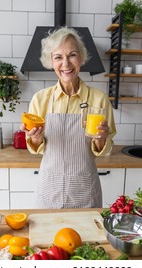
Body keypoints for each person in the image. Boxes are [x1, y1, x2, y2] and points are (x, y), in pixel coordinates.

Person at [20, 27, 116, 209]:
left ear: (81, 57)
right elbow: (34, 148)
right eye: (58, 57)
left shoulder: (99, 99)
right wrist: (35, 138)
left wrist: (101, 141)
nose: (66, 63)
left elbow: (106, 148)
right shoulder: (40, 99)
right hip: (49, 191)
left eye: (72, 55)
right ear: (51, 61)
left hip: (85, 191)